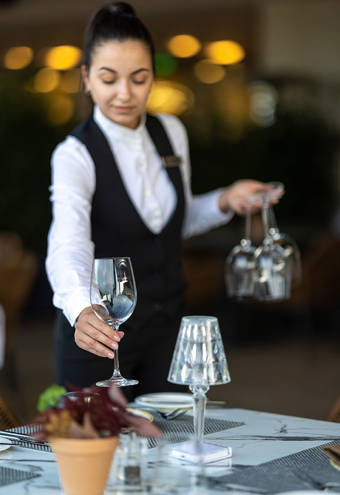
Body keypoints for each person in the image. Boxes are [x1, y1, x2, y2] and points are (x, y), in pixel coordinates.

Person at [46, 1, 278, 400]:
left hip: (167, 329)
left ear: (153, 76)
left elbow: (173, 221)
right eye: (108, 79)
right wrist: (80, 309)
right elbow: (68, 243)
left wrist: (226, 199)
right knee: (99, 453)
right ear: (86, 78)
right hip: (99, 337)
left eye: (139, 78)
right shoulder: (74, 154)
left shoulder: (171, 132)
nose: (124, 94)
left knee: (170, 446)